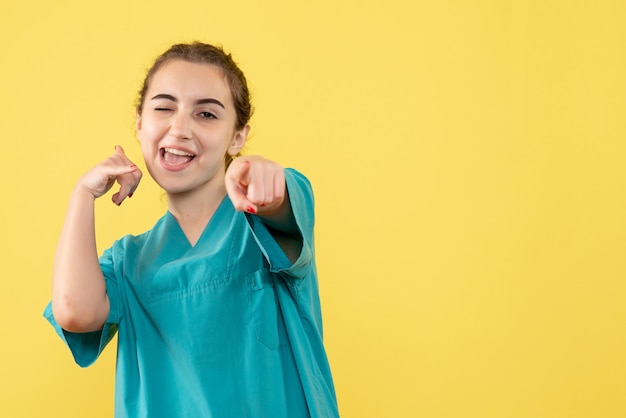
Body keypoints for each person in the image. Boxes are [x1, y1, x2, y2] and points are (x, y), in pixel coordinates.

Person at [44, 41, 339, 418]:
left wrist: (261, 174)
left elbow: (279, 199)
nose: (180, 127)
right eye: (164, 108)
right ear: (139, 123)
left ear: (238, 136)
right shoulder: (128, 262)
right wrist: (82, 194)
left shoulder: (262, 220)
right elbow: (74, 312)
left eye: (207, 115)